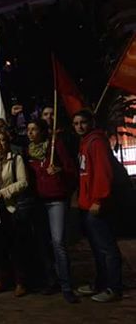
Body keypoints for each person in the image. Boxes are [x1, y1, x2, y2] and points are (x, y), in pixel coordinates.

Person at [26, 119, 79, 303]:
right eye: (28, 129)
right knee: (43, 244)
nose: (30, 133)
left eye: (34, 129)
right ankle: (51, 280)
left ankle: (66, 285)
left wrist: (60, 171)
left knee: (58, 242)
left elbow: (72, 170)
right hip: (38, 202)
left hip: (56, 200)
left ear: (42, 131)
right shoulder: (28, 152)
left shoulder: (55, 146)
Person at [73, 110, 123, 302]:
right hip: (87, 204)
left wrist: (99, 200)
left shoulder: (97, 142)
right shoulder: (85, 142)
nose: (79, 126)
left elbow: (103, 173)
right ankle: (101, 283)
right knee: (97, 248)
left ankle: (114, 287)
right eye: (76, 123)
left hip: (96, 204)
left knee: (107, 247)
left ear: (91, 122)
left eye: (83, 122)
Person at [0, 130, 30, 297]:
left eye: (2, 140)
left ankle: (20, 282)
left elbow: (23, 182)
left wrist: (6, 192)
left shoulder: (16, 159)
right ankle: (1, 280)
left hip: (10, 207)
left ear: (7, 143)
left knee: (16, 247)